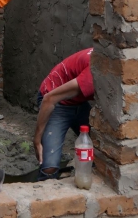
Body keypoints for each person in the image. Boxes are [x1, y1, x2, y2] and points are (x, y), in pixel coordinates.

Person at [32, 48, 94, 181]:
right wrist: (37, 139)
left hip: (80, 103)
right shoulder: (93, 74)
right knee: (49, 168)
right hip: (56, 102)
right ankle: (45, 197)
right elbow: (49, 99)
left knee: (103, 151)